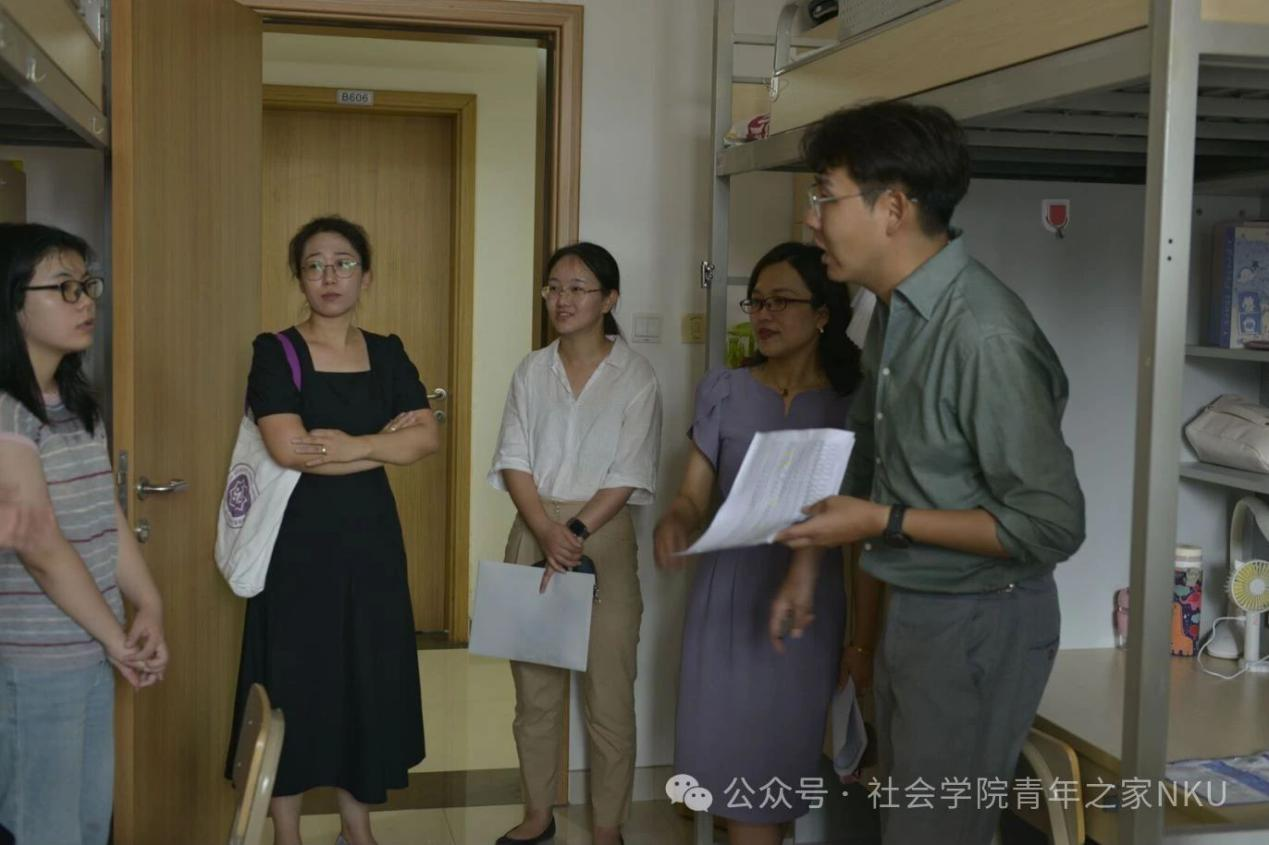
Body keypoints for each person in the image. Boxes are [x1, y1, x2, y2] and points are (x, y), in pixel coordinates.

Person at [775, 101, 1086, 845]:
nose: (811, 219)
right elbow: (868, 459)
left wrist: (881, 522)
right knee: (914, 823)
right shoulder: (895, 312)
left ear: (892, 208)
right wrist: (809, 561)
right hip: (915, 605)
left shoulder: (981, 333)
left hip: (978, 618)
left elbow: (1050, 524)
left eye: (824, 196)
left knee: (934, 832)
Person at [224, 216, 440, 845]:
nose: (329, 276)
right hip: (295, 546)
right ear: (299, 277)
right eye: (314, 264)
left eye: (343, 263)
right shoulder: (276, 351)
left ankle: (356, 826)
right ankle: (286, 832)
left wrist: (352, 445)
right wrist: (380, 445)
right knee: (293, 680)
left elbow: (425, 439)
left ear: (365, 276)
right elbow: (288, 449)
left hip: (371, 542)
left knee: (364, 678)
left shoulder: (388, 351)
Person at [654, 241, 879, 845]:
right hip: (725, 598)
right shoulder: (723, 390)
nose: (763, 315)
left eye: (781, 301)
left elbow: (863, 540)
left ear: (823, 313)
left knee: (775, 764)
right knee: (731, 772)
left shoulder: (851, 404)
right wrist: (675, 519)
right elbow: (693, 495)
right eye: (756, 302)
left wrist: (862, 642)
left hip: (807, 608)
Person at [0, 223, 168, 845]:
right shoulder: (7, 410)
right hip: (34, 661)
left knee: (90, 823)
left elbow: (106, 513)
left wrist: (147, 604)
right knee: (44, 830)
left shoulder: (71, 401)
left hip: (89, 648)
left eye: (87, 285)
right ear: (12, 302)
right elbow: (39, 546)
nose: (86, 301)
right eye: (64, 287)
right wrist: (117, 640)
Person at [489, 243, 662, 845]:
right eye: (554, 288)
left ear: (609, 300)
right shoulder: (530, 370)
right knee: (534, 692)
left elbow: (629, 471)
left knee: (608, 693)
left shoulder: (635, 376)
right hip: (533, 526)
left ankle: (608, 826)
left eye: (578, 288)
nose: (562, 300)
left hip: (604, 535)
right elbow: (513, 457)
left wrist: (576, 533)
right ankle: (539, 815)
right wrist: (544, 530)